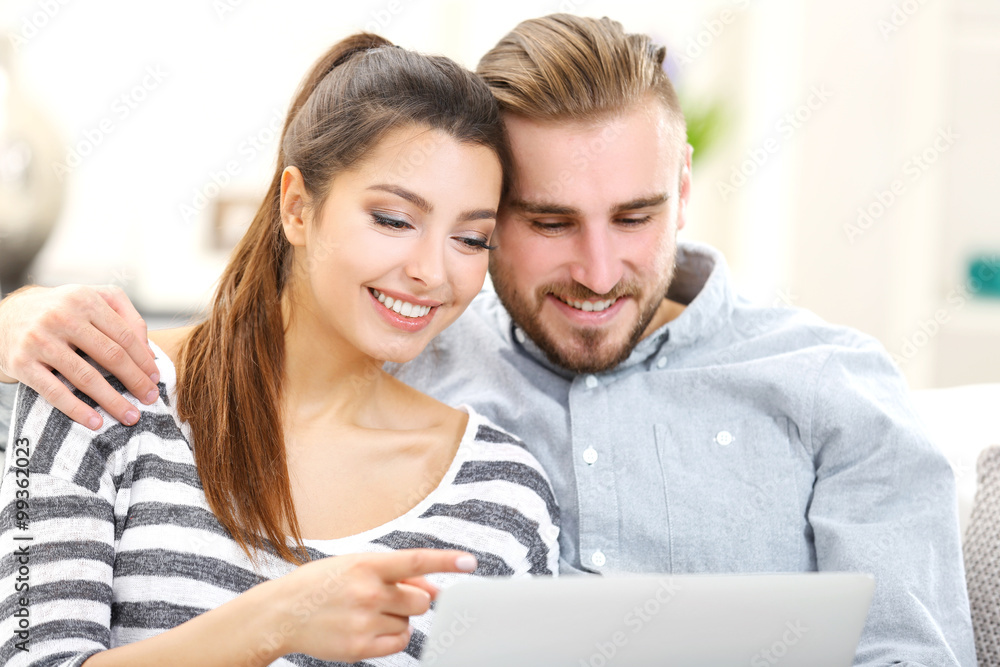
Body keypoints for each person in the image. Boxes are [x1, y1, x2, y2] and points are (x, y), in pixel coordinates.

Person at [0, 13, 975, 666]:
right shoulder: (424, 332)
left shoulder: (833, 390)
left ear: (682, 185)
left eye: (634, 215)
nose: (596, 271)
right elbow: (250, 344)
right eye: (546, 223)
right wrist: (19, 317)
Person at [0, 33, 559, 667]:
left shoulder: (502, 497)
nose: (432, 271)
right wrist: (276, 620)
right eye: (394, 220)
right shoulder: (101, 389)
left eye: (470, 238)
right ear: (297, 207)